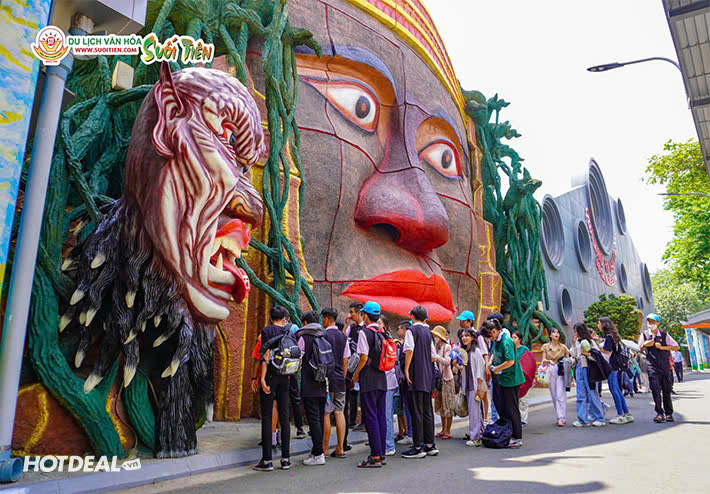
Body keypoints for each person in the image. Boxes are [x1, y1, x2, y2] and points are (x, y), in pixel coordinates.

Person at [254, 306, 293, 471]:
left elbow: (265, 356)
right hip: (285, 375)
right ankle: (286, 459)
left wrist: (262, 378)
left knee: (267, 416)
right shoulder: (288, 331)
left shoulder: (267, 331)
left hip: (271, 375)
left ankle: (267, 460)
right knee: (284, 416)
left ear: (271, 318)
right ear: (284, 318)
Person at [352, 301, 388, 468]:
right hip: (382, 378)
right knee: (380, 416)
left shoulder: (364, 333)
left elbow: (364, 358)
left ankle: (375, 456)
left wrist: (356, 374)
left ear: (365, 315)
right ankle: (381, 453)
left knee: (370, 416)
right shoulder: (383, 332)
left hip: (368, 379)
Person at [479, 320, 525, 448]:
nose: (490, 339)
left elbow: (510, 361)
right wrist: (490, 363)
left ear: (494, 331)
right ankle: (508, 432)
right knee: (503, 407)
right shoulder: (496, 340)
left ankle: (517, 437)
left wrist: (497, 368)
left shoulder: (506, 341)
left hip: (512, 379)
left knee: (512, 408)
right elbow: (493, 352)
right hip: (502, 379)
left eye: (490, 336)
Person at [402, 305, 439, 458]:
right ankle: (430, 444)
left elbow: (409, 349)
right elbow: (433, 355)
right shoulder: (428, 333)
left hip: (415, 375)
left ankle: (418, 447)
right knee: (427, 410)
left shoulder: (411, 331)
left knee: (416, 411)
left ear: (412, 316)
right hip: (428, 376)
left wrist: (406, 368)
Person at [296, 310, 328, 466]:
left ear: (304, 323)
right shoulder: (323, 336)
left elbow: (298, 358)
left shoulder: (304, 337)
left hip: (309, 383)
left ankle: (318, 453)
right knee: (320, 418)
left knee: (313, 419)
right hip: (322, 382)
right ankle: (317, 450)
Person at [638, 313, 680, 423]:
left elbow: (676, 347)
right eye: (649, 321)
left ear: (658, 323)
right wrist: (645, 344)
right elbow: (639, 348)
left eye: (653, 321)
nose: (650, 323)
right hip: (652, 367)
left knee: (666, 391)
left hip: (665, 367)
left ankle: (669, 414)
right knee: (655, 390)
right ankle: (659, 413)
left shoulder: (665, 335)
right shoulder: (644, 335)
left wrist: (662, 347)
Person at [321, 307, 350, 459]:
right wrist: (343, 376)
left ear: (326, 319)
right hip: (339, 379)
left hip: (327, 379)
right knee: (339, 412)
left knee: (326, 413)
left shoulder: (323, 335)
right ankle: (340, 448)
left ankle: (324, 448)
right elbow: (346, 359)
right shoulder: (343, 336)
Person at [453, 328, 486, 446]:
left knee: (474, 412)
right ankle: (479, 434)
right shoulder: (465, 352)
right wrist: (457, 365)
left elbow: (480, 371)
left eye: (467, 335)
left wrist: (480, 388)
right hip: (467, 385)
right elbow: (465, 369)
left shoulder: (476, 351)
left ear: (472, 337)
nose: (464, 338)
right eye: (462, 336)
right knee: (475, 411)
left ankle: (475, 437)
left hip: (475, 386)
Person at [457, 311, 491, 424]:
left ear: (470, 321)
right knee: (471, 404)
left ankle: (480, 425)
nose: (461, 322)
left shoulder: (477, 336)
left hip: (476, 373)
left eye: (463, 320)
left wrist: (487, 367)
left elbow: (484, 353)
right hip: (466, 373)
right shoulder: (462, 335)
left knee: (478, 399)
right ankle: (477, 427)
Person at [569, 322, 605, 428]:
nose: (575, 333)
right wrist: (573, 344)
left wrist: (588, 354)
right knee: (580, 394)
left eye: (576, 331)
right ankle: (582, 419)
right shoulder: (577, 341)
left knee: (592, 393)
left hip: (588, 367)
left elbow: (597, 356)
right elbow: (574, 355)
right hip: (579, 366)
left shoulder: (590, 342)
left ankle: (599, 418)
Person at [598, 317, 633, 425]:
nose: (598, 325)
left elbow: (607, 351)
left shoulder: (609, 336)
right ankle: (626, 413)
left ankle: (620, 415)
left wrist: (596, 348)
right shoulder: (612, 336)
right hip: (615, 366)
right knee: (617, 389)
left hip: (611, 366)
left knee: (614, 389)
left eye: (599, 323)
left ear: (604, 324)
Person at [540, 327, 570, 426]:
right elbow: (543, 361)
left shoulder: (563, 347)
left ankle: (562, 417)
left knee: (560, 394)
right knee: (554, 394)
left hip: (561, 370)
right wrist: (549, 361)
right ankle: (559, 416)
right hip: (550, 370)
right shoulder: (545, 346)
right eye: (554, 332)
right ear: (550, 335)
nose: (556, 334)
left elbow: (568, 360)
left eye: (557, 332)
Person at [379, 316, 398, 456]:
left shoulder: (387, 340)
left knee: (387, 415)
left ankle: (389, 445)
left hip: (388, 382)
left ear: (385, 326)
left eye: (379, 323)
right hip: (383, 382)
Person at [432, 325, 455, 440]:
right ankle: (443, 429)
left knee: (448, 405)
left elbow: (447, 361)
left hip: (447, 379)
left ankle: (448, 430)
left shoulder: (447, 347)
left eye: (436, 335)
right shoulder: (435, 347)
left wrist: (437, 358)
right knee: (441, 405)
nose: (434, 337)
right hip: (439, 380)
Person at [346, 302, 365, 433]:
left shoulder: (365, 328)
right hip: (351, 364)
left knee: (362, 394)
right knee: (352, 393)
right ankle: (352, 420)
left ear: (359, 313)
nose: (350, 315)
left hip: (361, 364)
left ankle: (363, 421)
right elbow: (344, 340)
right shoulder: (351, 328)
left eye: (352, 312)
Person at [395, 321, 414, 446]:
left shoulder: (408, 344)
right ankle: (409, 433)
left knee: (409, 407)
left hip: (407, 380)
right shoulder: (403, 343)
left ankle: (411, 434)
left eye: (399, 328)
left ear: (404, 329)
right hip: (406, 381)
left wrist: (405, 370)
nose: (397, 331)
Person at [511, 330, 530, 428]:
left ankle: (523, 420)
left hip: (523, 378)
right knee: (514, 400)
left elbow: (530, 363)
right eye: (512, 337)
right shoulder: (510, 349)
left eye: (515, 337)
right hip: (513, 377)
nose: (513, 339)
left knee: (523, 399)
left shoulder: (524, 349)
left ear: (520, 339)